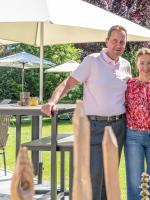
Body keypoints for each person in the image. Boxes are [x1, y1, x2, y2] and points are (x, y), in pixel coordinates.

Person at [41, 25, 131, 200]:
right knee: (95, 175)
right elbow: (68, 83)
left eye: (122, 42)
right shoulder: (92, 60)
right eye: (114, 41)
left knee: (110, 176)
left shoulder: (126, 65)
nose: (118, 45)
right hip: (95, 126)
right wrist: (52, 101)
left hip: (119, 126)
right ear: (107, 41)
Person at [125, 48, 150, 200]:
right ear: (136, 64)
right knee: (135, 179)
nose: (146, 67)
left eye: (149, 63)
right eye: (142, 63)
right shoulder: (129, 84)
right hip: (134, 136)